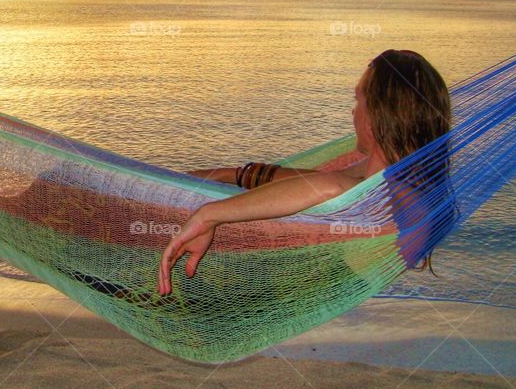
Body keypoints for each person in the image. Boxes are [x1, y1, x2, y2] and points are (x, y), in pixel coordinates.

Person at [157, 49, 453, 297]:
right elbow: (311, 181)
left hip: (258, 294)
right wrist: (232, 174)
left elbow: (333, 188)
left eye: (358, 100)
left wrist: (209, 215)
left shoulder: (403, 199)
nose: (353, 112)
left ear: (378, 114)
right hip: (266, 283)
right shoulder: (385, 173)